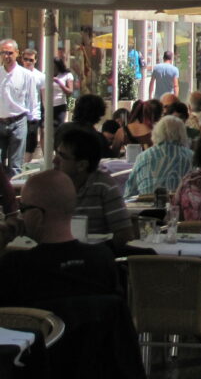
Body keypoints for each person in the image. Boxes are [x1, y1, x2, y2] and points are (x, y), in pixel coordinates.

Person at [0, 170, 122, 304]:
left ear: (38, 216)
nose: (21, 216)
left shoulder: (15, 266)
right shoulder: (103, 259)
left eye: (23, 208)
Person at [52, 127, 134, 246]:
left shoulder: (104, 186)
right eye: (56, 154)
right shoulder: (52, 186)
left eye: (62, 156)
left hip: (94, 257)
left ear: (82, 165)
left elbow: (124, 234)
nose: (55, 161)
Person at [123, 115, 194, 197]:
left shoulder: (143, 157)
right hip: (180, 208)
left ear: (156, 133)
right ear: (182, 134)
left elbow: (129, 193)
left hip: (147, 207)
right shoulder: (191, 157)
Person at [0, 39, 35, 175]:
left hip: (18, 121)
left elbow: (32, 99)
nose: (6, 56)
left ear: (16, 53)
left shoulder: (26, 75)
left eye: (9, 53)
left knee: (16, 165)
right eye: (3, 53)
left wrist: (33, 120)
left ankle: (15, 194)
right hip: (0, 121)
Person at [19, 49, 45, 161]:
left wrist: (46, 113)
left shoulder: (40, 76)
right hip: (18, 112)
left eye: (31, 60)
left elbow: (44, 95)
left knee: (30, 141)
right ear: (22, 59)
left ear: (35, 61)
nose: (28, 62)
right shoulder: (16, 74)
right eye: (26, 59)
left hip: (33, 113)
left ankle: (25, 165)